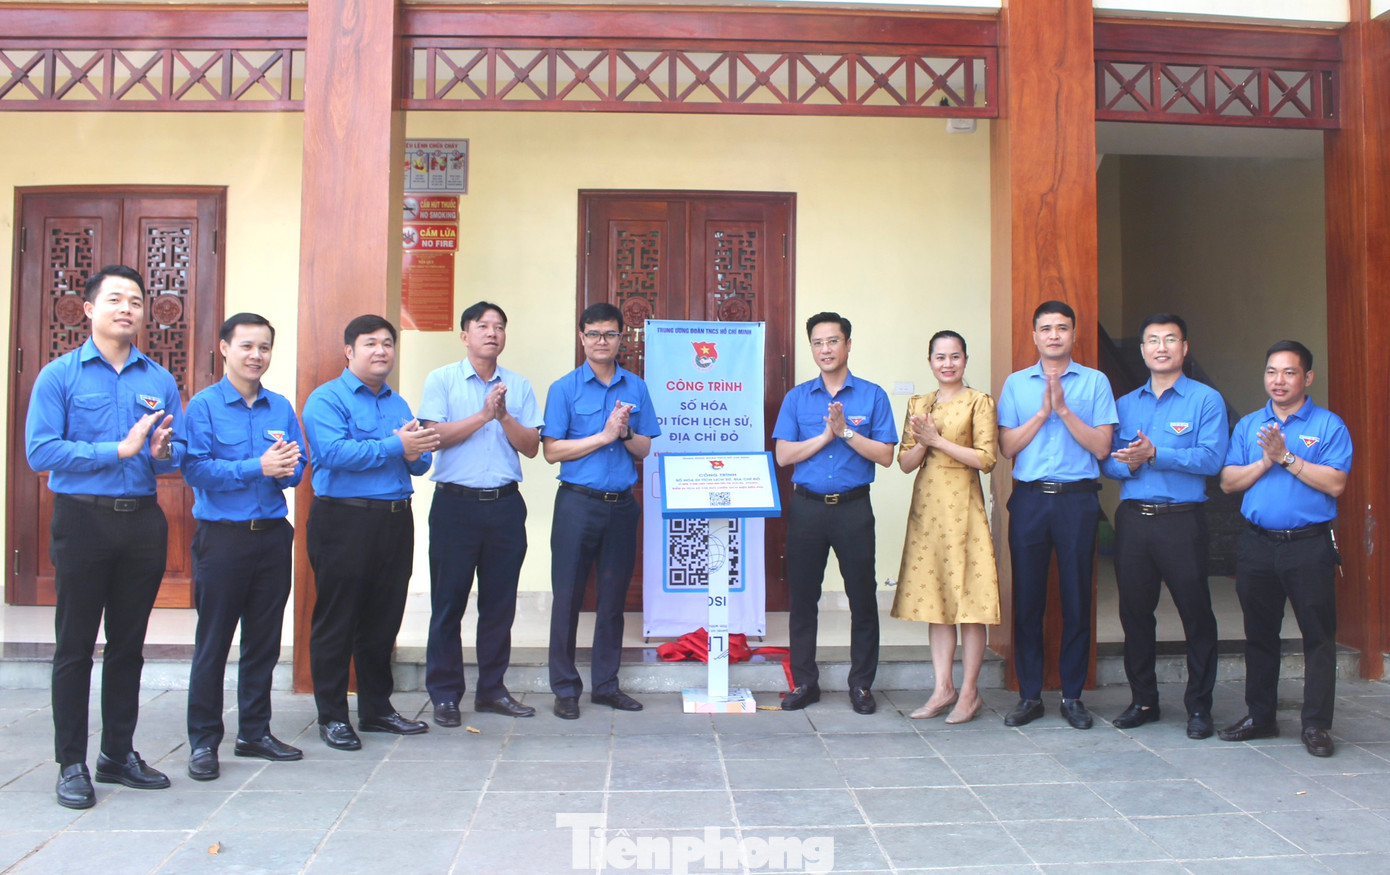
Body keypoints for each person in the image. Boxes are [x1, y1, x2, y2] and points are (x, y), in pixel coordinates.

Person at [25, 264, 184, 809]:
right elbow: (40, 451)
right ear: (90, 309)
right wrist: (115, 450)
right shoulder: (59, 375)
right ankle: (71, 762)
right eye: (115, 299)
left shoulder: (159, 380)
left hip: (142, 520)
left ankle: (117, 753)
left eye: (136, 301)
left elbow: (174, 455)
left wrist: (162, 453)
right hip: (82, 520)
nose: (127, 309)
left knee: (128, 647)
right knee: (74, 646)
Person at [302, 315, 438, 750]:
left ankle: (377, 709)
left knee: (384, 618)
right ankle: (332, 716)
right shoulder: (327, 399)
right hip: (345, 520)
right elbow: (334, 453)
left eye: (387, 343)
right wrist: (398, 445)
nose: (381, 351)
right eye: (370, 343)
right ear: (349, 351)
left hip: (395, 520)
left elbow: (420, 462)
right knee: (338, 619)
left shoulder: (398, 404)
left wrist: (414, 452)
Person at [182, 313, 306, 781]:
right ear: (224, 349)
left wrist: (288, 469)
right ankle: (203, 741)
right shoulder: (204, 406)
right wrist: (258, 467)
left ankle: (255, 732)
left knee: (264, 641)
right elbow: (195, 470)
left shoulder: (280, 407)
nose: (256, 356)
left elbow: (298, 467)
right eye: (247, 346)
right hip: (223, 539)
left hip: (271, 535)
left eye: (264, 347)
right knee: (213, 643)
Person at [1218, 340, 1351, 758]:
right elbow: (1228, 482)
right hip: (1257, 544)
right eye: (1271, 372)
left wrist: (1287, 457)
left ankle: (1316, 725)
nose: (1279, 380)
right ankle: (1261, 716)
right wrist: (1265, 460)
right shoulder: (1249, 425)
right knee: (1259, 634)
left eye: (1289, 372)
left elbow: (1336, 483)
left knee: (1318, 637)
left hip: (1308, 546)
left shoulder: (1329, 425)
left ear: (1307, 378)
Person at [1100, 314, 1227, 740]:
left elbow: (1211, 459)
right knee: (1135, 614)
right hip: (1135, 520)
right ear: (1141, 351)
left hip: (1182, 521)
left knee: (1196, 614)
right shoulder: (1125, 403)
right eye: (1152, 340)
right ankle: (1144, 701)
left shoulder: (1205, 400)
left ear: (1184, 348)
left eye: (1170, 339)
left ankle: (1199, 707)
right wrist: (1129, 462)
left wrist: (1156, 454)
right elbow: (1107, 462)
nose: (1161, 347)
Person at [419, 302, 542, 727]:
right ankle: (445, 694)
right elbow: (433, 437)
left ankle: (492, 690)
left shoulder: (518, 385)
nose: (492, 332)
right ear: (464, 335)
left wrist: (503, 415)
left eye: (499, 326)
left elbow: (531, 446)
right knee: (448, 602)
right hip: (455, 506)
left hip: (505, 506)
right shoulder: (442, 380)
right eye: (483, 326)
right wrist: (483, 415)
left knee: (499, 605)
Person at [997, 300, 1117, 730]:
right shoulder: (1016, 384)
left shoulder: (1095, 382)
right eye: (1046, 328)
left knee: (1077, 598)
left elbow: (1102, 447)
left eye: (1061, 328)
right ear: (1034, 335)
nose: (1053, 335)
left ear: (1074, 334)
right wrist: (1042, 413)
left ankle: (1072, 695)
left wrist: (1064, 410)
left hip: (1076, 501)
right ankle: (1030, 695)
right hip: (1030, 499)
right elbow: (1007, 448)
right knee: (1027, 599)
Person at [773, 312, 896, 714]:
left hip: (853, 510)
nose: (825, 349)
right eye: (818, 342)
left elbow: (885, 455)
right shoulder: (797, 398)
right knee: (802, 599)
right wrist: (826, 436)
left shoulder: (873, 395)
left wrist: (845, 432)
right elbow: (783, 454)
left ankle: (861, 685)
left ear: (848, 345)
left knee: (862, 598)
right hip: (807, 509)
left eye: (832, 341)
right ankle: (804, 683)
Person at [541, 302, 660, 719]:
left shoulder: (636, 387)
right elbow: (552, 451)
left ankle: (606, 685)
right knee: (567, 598)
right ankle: (565, 688)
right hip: (577, 504)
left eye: (609, 334)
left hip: (621, 507)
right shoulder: (564, 389)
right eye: (593, 334)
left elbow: (645, 448)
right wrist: (604, 435)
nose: (601, 341)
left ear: (621, 338)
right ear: (582, 338)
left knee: (612, 600)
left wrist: (624, 433)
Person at [892, 330, 999, 725]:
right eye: (940, 357)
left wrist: (937, 440)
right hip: (928, 510)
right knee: (935, 602)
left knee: (969, 603)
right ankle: (943, 688)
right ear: (930, 361)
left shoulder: (979, 401)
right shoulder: (919, 404)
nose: (948, 363)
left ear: (965, 360)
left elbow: (986, 459)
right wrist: (923, 442)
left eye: (955, 356)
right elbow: (905, 463)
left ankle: (969, 692)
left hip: (964, 510)